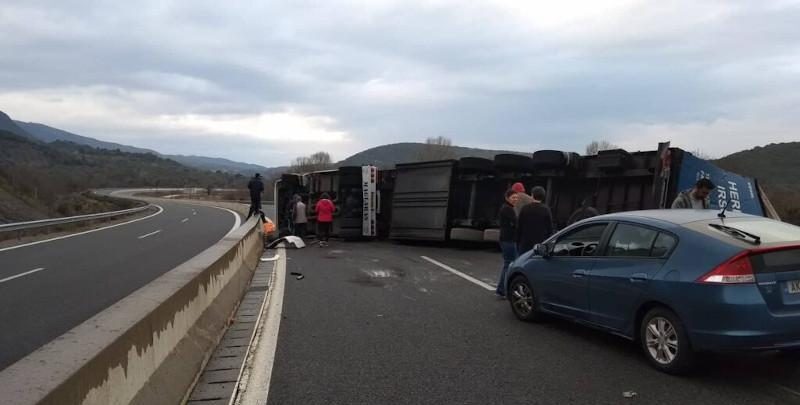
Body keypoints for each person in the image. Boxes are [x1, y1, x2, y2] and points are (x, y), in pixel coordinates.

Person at [516, 186, 554, 254]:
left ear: (532, 195)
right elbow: (550, 228)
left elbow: (519, 226)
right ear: (543, 197)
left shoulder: (525, 208)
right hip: (540, 242)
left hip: (525, 242)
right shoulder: (546, 209)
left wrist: (518, 241)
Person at [496, 189, 519, 297]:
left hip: (506, 239)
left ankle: (502, 289)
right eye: (513, 197)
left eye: (516, 197)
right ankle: (502, 289)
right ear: (507, 198)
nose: (515, 199)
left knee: (508, 263)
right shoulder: (507, 209)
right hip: (508, 240)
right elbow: (516, 223)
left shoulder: (507, 208)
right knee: (509, 264)